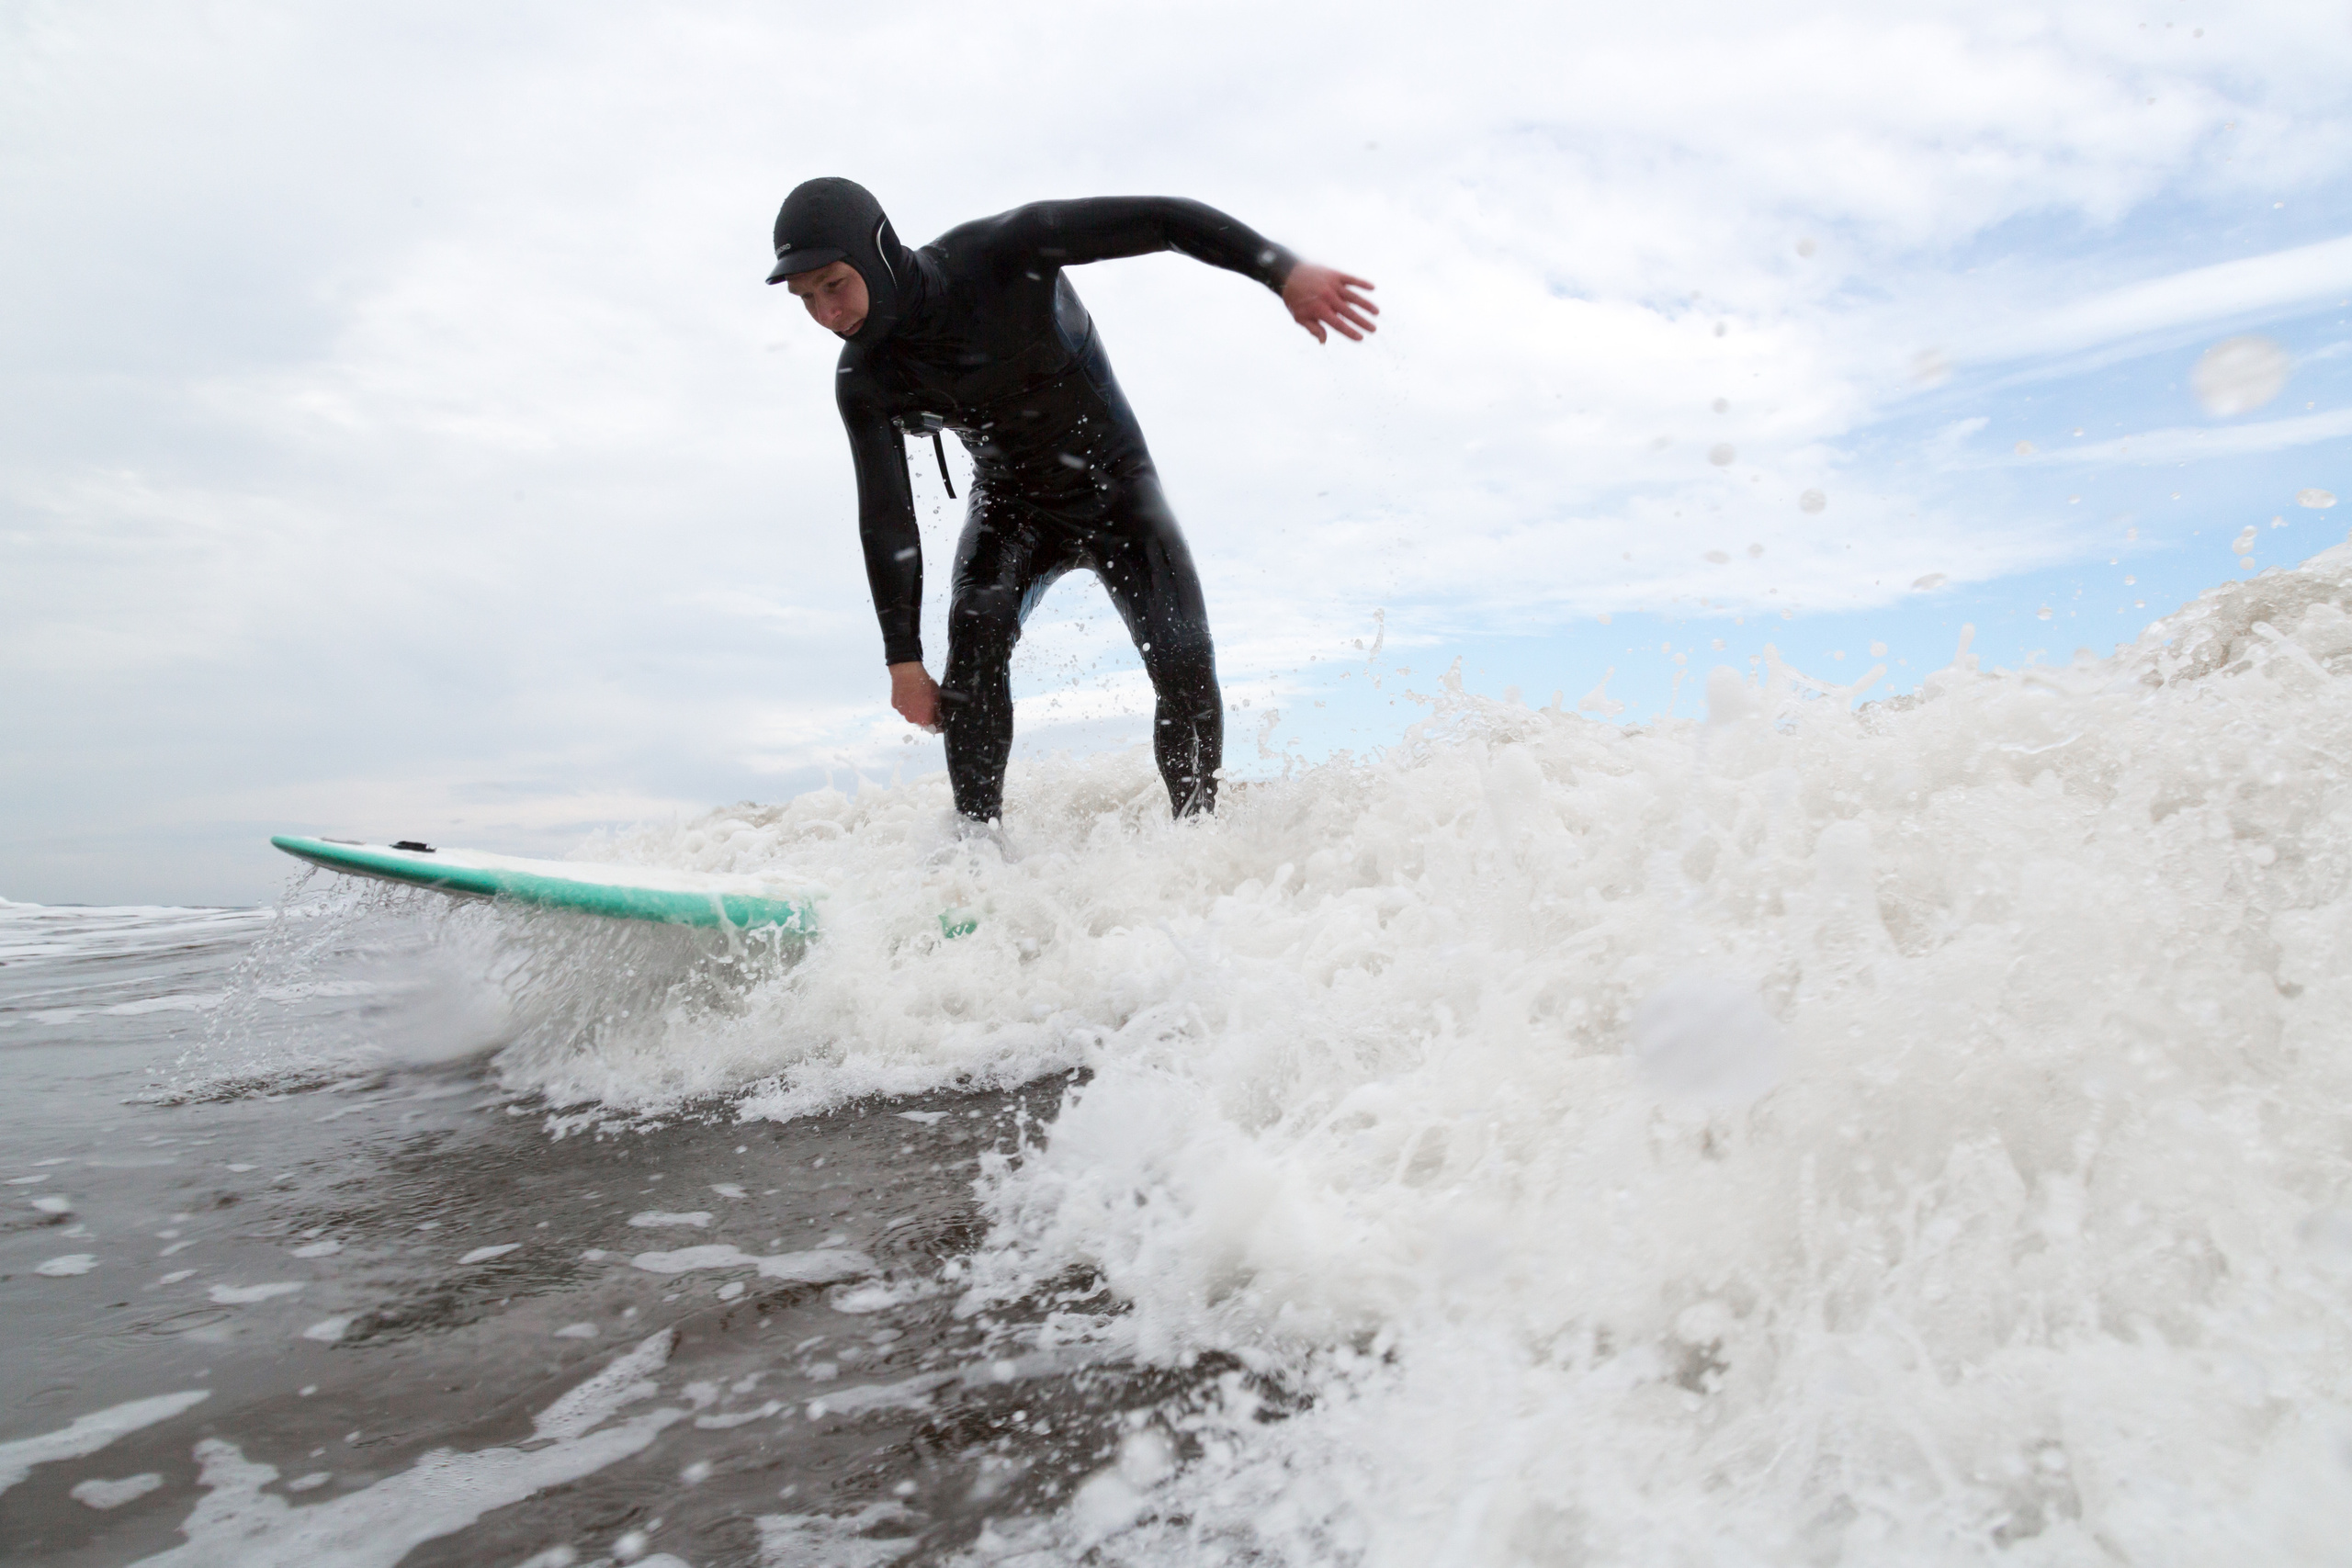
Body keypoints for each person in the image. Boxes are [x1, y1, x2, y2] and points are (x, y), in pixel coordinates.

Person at [766, 178, 1375, 825]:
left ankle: (1200, 840)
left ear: (879, 251)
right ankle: (977, 857)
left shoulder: (1001, 254)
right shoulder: (866, 378)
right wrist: (903, 659)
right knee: (974, 633)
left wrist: (1280, 272)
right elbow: (886, 512)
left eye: (834, 284)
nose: (827, 314)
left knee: (1183, 657)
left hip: (1116, 487)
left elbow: (1163, 219)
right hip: (1009, 505)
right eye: (807, 299)